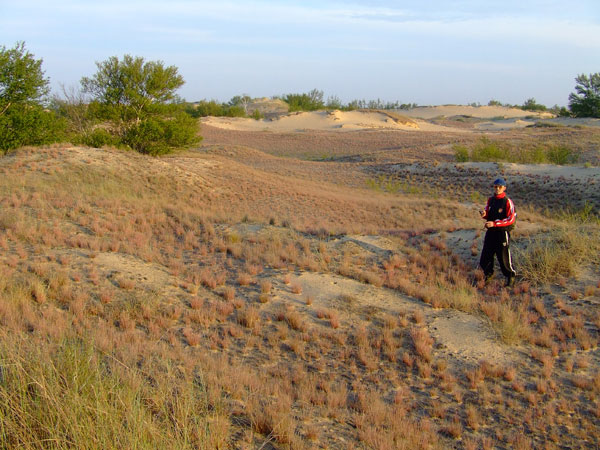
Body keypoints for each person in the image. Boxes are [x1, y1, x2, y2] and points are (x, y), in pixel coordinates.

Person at [479, 177, 517, 287]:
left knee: (503, 256)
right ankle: (488, 275)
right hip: (491, 232)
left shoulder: (507, 202)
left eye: (500, 187)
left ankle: (510, 277)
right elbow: (488, 212)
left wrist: (495, 223)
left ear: (504, 188)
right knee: (486, 256)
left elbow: (511, 219)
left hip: (502, 232)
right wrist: (484, 214)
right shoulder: (491, 200)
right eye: (496, 187)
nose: (498, 189)